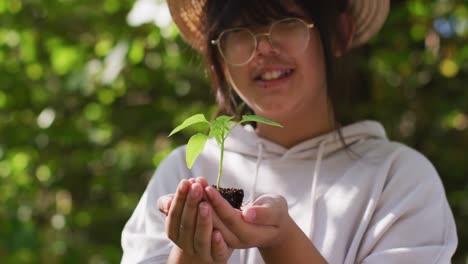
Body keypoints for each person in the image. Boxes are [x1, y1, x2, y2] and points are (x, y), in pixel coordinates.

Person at [121, 0, 458, 263]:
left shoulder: (397, 180)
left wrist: (281, 241)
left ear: (340, 33)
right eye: (238, 30)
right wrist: (193, 254)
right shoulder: (185, 173)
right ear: (218, 54)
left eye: (286, 22)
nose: (263, 48)